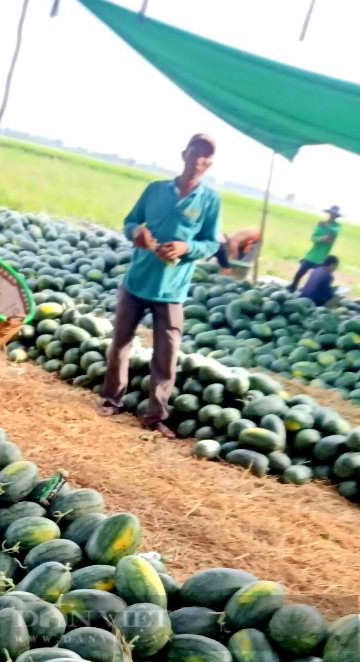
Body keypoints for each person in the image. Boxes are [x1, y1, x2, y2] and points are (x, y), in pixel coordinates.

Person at [97, 134, 221, 439]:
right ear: (184, 154)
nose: (199, 161)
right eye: (195, 154)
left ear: (210, 163)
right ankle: (112, 399)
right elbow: (130, 222)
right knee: (120, 343)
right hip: (137, 280)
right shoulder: (155, 190)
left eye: (206, 157)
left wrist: (185, 247)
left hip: (172, 291)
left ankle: (155, 416)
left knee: (166, 354)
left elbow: (211, 244)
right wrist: (136, 231)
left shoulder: (209, 201)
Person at [288, 205, 342, 291]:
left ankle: (306, 290)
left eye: (334, 214)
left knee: (314, 277)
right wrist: (321, 239)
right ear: (329, 213)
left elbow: (334, 231)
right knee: (300, 273)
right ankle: (292, 287)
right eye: (331, 213)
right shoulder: (321, 224)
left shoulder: (337, 226)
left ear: (337, 216)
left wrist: (327, 226)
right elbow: (313, 237)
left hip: (322, 258)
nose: (332, 216)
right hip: (312, 254)